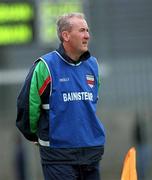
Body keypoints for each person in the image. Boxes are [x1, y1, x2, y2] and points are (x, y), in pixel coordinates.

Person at [16, 12, 106, 180]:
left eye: (87, 30)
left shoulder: (93, 65)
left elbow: (91, 104)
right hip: (58, 156)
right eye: (81, 30)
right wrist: (36, 135)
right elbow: (27, 107)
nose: (87, 35)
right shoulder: (45, 66)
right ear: (66, 35)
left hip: (91, 153)